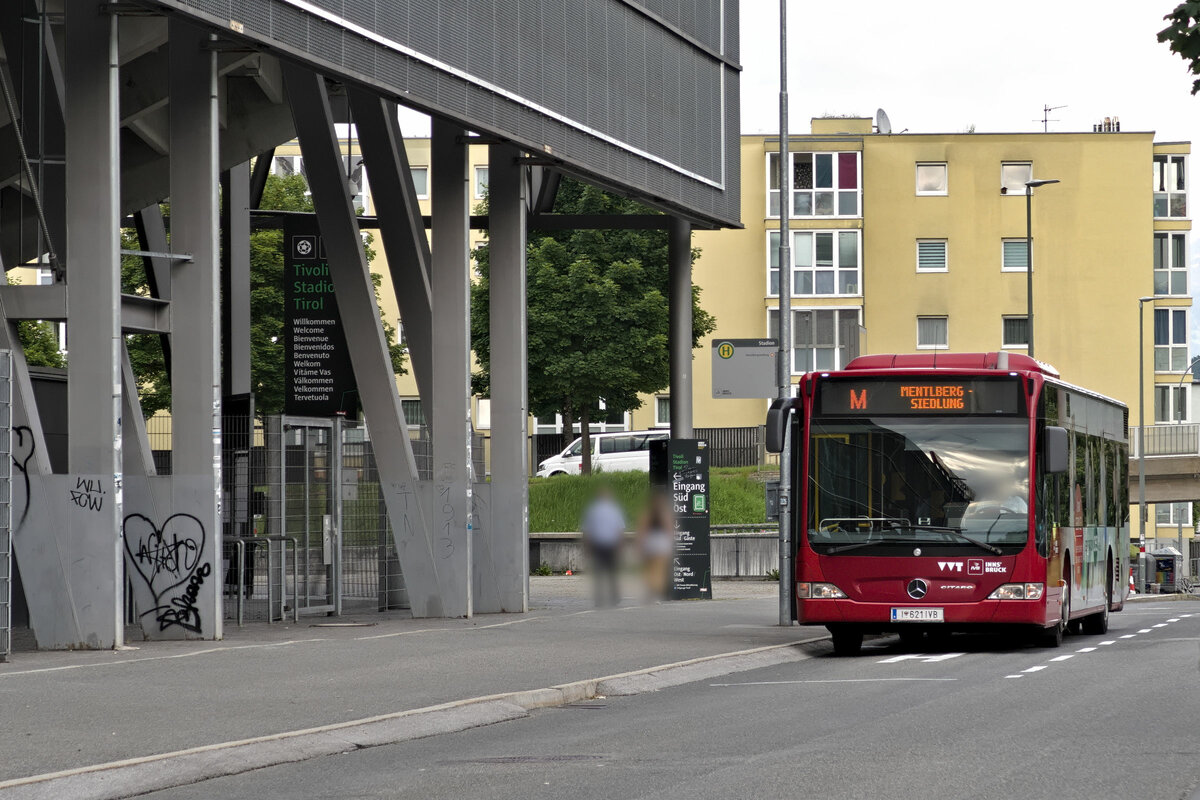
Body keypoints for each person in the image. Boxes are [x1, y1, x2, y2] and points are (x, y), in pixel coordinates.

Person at [580, 486, 625, 607]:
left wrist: (586, 547)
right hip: (611, 544)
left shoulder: (592, 510)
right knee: (612, 572)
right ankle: (614, 596)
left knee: (598, 572)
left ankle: (599, 599)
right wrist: (620, 546)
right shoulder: (615, 509)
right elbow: (619, 529)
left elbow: (587, 530)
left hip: (597, 544)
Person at [638, 490, 675, 601]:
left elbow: (642, 529)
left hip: (650, 542)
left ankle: (650, 591)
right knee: (660, 570)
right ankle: (656, 594)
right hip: (662, 543)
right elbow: (669, 529)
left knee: (650, 570)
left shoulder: (648, 513)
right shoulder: (665, 514)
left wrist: (640, 545)